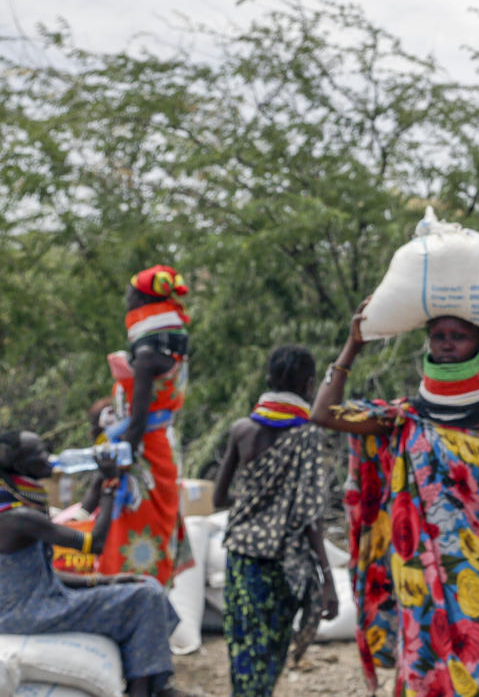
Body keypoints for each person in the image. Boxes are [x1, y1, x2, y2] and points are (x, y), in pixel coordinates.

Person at [310, 307, 479, 697]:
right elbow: (324, 413)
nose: (447, 344)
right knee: (422, 669)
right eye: (439, 335)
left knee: (476, 670)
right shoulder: (408, 416)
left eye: (460, 335)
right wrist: (352, 345)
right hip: (417, 571)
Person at [0, 430, 182, 697]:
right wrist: (109, 484)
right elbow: (94, 543)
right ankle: (144, 690)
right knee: (147, 596)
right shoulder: (21, 517)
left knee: (143, 586)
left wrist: (105, 580)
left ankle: (153, 685)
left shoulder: (12, 508)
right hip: (32, 613)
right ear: (20, 466)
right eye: (39, 452)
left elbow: (36, 575)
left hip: (26, 606)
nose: (49, 457)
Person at [213, 345, 337, 697]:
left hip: (241, 558)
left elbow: (219, 499)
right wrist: (327, 579)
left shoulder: (241, 430)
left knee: (242, 646)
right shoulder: (309, 436)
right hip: (286, 564)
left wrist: (257, 503)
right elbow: (311, 516)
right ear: (310, 385)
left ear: (268, 380)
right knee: (271, 651)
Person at [98, 265, 193, 583]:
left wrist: (116, 466)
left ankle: (135, 595)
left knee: (136, 529)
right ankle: (154, 588)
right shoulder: (170, 356)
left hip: (144, 457)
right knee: (156, 526)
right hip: (163, 449)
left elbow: (137, 423)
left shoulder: (147, 355)